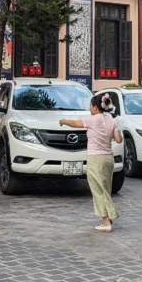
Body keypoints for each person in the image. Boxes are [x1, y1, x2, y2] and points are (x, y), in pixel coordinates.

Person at [59, 93, 121, 232]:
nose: (89, 109)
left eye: (90, 106)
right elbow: (118, 139)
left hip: (95, 158)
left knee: (97, 189)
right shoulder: (111, 119)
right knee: (105, 187)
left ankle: (106, 220)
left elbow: (75, 124)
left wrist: (64, 121)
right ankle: (107, 217)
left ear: (95, 107)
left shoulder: (92, 119)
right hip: (108, 158)